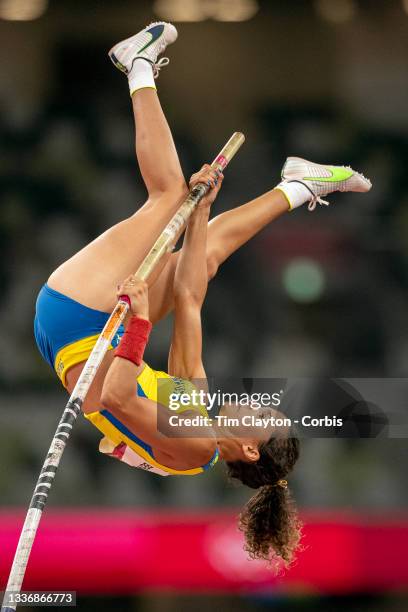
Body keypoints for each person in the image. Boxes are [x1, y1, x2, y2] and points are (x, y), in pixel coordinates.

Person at [34, 22, 372, 565]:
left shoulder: (193, 446)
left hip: (75, 323)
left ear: (248, 447)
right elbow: (191, 297)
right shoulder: (198, 414)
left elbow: (116, 399)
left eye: (266, 418)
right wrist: (203, 213)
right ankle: (298, 186)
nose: (260, 404)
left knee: (166, 194)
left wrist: (139, 322)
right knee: (204, 252)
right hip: (98, 328)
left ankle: (137, 65)